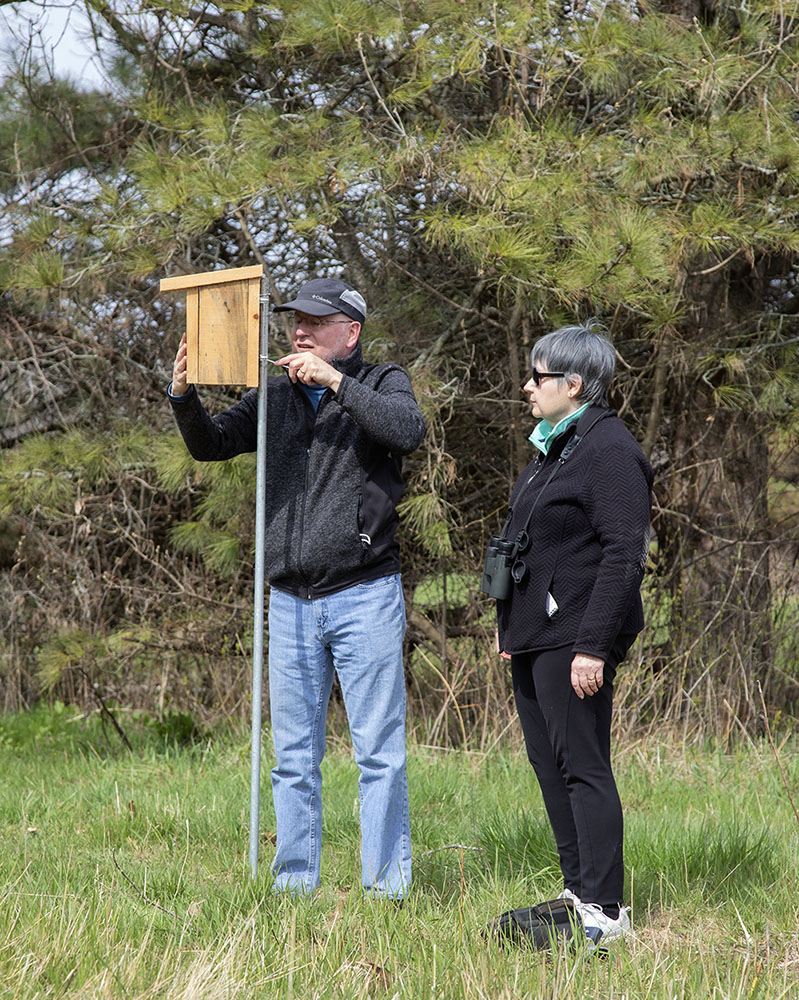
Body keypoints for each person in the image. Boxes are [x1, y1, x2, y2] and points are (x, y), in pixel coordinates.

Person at [167, 276, 425, 899]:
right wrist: (182, 396)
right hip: (289, 603)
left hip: (364, 594)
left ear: (350, 332)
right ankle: (294, 891)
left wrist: (336, 383)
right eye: (294, 322)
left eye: (314, 322)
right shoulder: (275, 395)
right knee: (292, 761)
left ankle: (386, 893)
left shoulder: (382, 382)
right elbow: (212, 445)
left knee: (379, 756)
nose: (299, 332)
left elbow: (406, 431)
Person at [493, 322, 652, 949]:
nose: (528, 387)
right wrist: (512, 627)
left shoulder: (609, 449)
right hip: (534, 636)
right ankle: (578, 888)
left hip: (575, 636)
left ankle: (605, 910)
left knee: (582, 764)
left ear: (574, 384)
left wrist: (592, 645)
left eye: (538, 376)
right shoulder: (554, 448)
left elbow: (622, 555)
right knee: (548, 762)